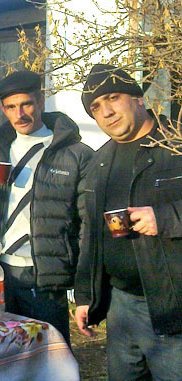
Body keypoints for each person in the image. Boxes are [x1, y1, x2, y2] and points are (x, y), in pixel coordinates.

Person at [0, 70, 93, 344]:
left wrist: (84, 287)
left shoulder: (74, 154)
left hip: (44, 275)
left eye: (26, 104)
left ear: (40, 102)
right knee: (0, 349)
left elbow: (87, 224)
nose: (20, 114)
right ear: (3, 109)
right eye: (11, 107)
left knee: (50, 353)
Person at [75, 64, 182, 380]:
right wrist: (85, 298)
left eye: (113, 98)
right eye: (96, 107)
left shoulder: (175, 144)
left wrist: (165, 218)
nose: (106, 112)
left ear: (137, 98)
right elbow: (91, 235)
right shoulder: (100, 161)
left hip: (173, 305)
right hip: (121, 307)